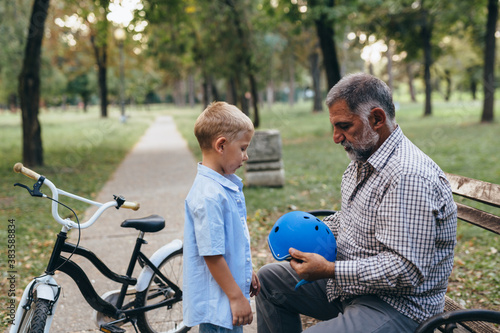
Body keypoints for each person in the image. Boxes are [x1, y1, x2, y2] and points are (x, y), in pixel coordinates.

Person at [256, 73, 457, 333]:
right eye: (334, 127)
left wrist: (330, 270)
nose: (335, 137)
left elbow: (405, 270)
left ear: (376, 119)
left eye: (344, 126)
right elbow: (350, 221)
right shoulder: (363, 161)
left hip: (398, 307)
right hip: (354, 289)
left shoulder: (407, 176)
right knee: (269, 280)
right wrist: (302, 232)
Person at [183, 101, 261, 333]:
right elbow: (212, 254)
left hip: (226, 299)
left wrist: (247, 272)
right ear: (221, 145)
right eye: (243, 148)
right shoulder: (209, 195)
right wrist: (236, 297)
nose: (245, 156)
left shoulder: (221, 186)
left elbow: (230, 244)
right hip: (220, 306)